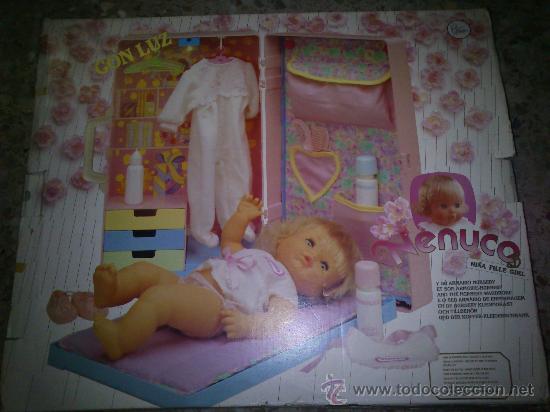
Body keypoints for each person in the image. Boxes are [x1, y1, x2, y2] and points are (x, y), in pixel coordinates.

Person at [93, 195, 361, 360]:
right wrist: (241, 217)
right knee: (145, 271)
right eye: (310, 243)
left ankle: (121, 339)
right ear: (285, 237)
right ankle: (113, 292)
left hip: (214, 308)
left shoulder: (285, 287)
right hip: (191, 284)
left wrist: (247, 325)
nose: (310, 257)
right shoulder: (257, 255)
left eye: (324, 265)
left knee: (160, 298)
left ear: (323, 291)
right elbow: (230, 240)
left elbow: (279, 321)